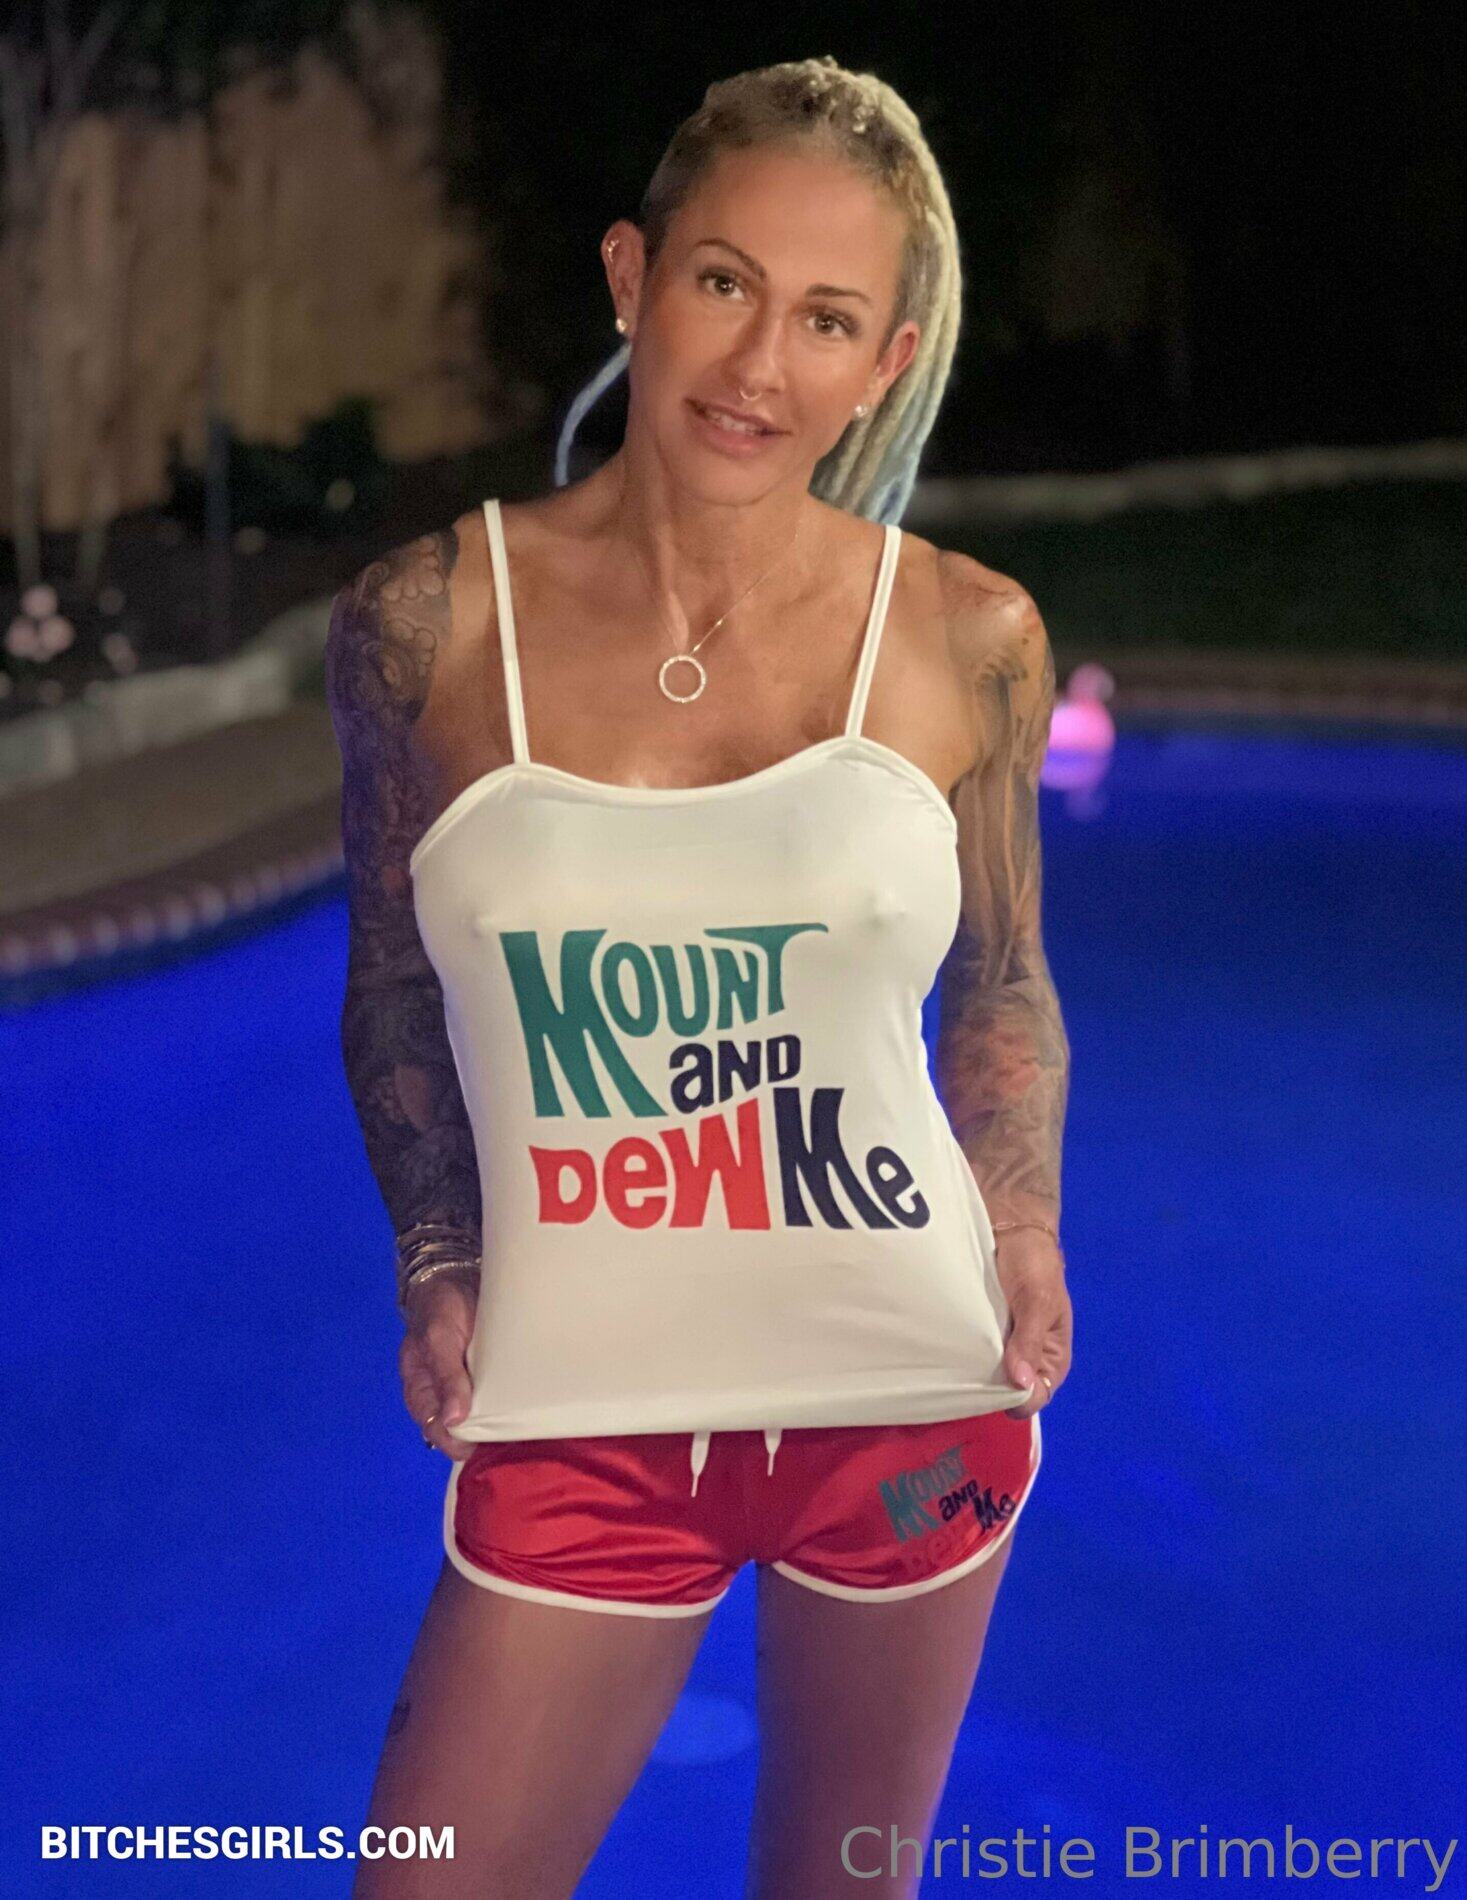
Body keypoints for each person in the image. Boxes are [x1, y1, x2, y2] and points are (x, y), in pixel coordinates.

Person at [326, 55, 1073, 1900]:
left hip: (911, 1407)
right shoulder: (428, 625)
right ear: (630, 275)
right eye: (725, 282)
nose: (759, 365)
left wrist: (1026, 1228)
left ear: (887, 360)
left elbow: (1000, 980)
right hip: (581, 1413)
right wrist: (437, 1254)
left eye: (827, 318)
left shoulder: (970, 637)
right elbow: (392, 986)